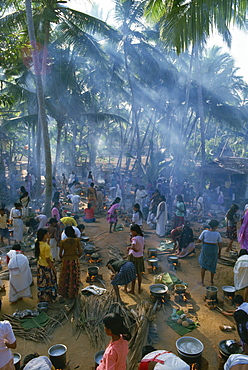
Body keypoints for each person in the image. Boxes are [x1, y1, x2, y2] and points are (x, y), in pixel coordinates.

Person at [58, 226, 82, 298]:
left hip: (66, 260)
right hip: (74, 260)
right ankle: (73, 293)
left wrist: (63, 258)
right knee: (74, 277)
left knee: (65, 276)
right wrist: (77, 256)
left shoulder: (62, 242)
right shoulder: (77, 240)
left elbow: (60, 254)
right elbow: (80, 251)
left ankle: (64, 292)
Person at [197, 219, 222, 286]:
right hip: (214, 250)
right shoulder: (217, 234)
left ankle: (202, 282)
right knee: (212, 265)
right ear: (215, 227)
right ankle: (211, 281)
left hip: (205, 249)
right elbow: (220, 244)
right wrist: (219, 253)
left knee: (203, 264)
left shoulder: (205, 232)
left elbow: (199, 241)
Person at [35, 228, 57, 302]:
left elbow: (45, 247)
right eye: (47, 234)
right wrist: (53, 268)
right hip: (47, 266)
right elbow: (48, 259)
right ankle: (50, 297)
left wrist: (48, 239)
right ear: (44, 236)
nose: (48, 235)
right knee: (49, 282)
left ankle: (42, 297)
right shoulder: (46, 246)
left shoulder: (37, 242)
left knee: (42, 282)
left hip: (40, 266)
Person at [127, 224, 145, 294]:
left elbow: (134, 247)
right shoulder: (142, 237)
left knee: (133, 273)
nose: (131, 233)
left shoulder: (135, 239)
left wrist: (130, 248)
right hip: (140, 257)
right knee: (139, 273)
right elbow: (143, 247)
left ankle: (132, 290)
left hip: (133, 257)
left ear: (135, 231)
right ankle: (139, 289)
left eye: (131, 231)